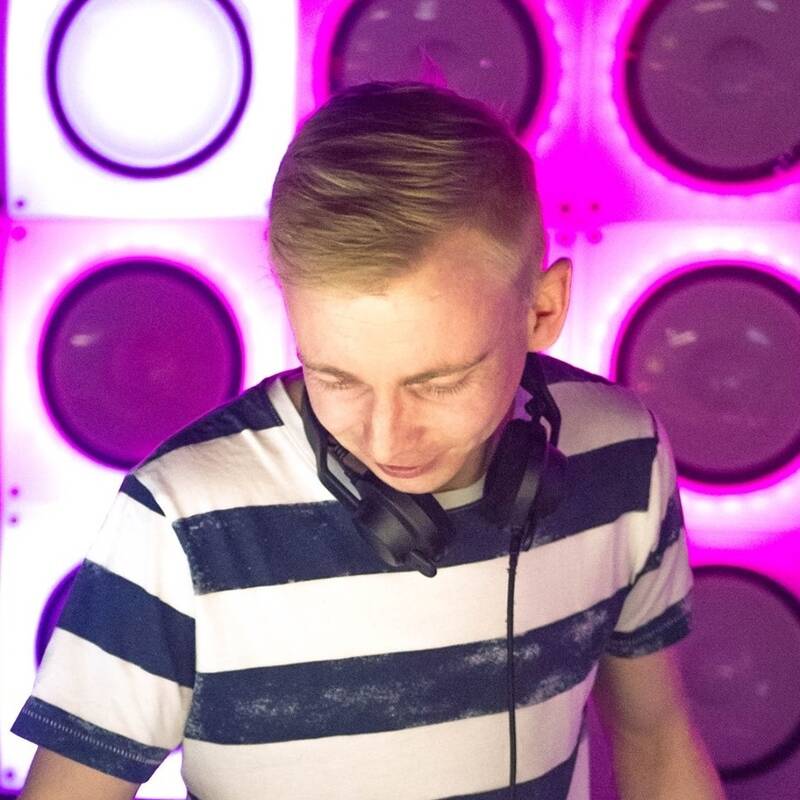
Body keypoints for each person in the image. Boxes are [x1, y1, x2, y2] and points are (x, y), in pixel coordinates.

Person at [13, 81, 725, 800]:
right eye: (337, 377)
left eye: (439, 382)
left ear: (542, 310)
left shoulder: (622, 456)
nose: (387, 439)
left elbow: (657, 742)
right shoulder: (180, 518)